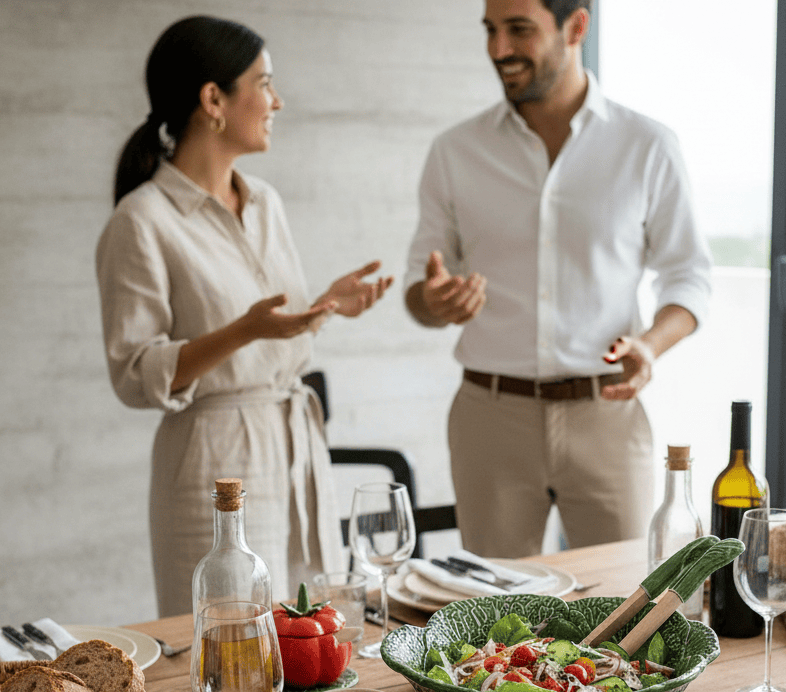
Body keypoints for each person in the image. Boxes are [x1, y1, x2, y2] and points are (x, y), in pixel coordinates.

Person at [97, 15, 392, 616]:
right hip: (213, 461)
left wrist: (322, 309)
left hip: (292, 447)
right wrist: (244, 331)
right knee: (227, 643)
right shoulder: (142, 219)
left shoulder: (265, 203)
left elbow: (270, 329)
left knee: (304, 631)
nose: (277, 100)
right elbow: (133, 373)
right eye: (264, 82)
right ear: (213, 100)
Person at [404, 0, 711, 557]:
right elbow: (418, 290)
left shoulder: (646, 145)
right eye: (490, 31)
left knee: (627, 608)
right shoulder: (455, 151)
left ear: (576, 27)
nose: (499, 50)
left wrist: (650, 344)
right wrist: (434, 300)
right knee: (492, 621)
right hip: (489, 420)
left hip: (607, 416)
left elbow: (689, 276)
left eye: (519, 30)